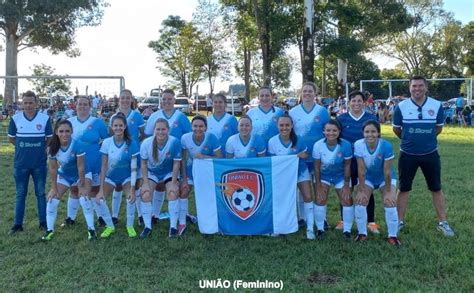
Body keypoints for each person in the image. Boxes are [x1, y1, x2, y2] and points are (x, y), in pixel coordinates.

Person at [393, 76, 455, 237]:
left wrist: (425, 141)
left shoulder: (436, 105)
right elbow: (397, 130)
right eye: (414, 86)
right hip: (407, 154)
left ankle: (443, 222)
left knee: (436, 188)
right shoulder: (401, 106)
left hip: (430, 154)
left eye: (420, 85)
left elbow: (438, 129)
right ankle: (399, 221)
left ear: (426, 87)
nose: (417, 89)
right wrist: (410, 141)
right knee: (404, 188)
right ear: (409, 88)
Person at [42, 119, 97, 241]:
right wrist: (54, 188)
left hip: (81, 174)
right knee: (52, 199)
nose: (64, 134)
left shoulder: (77, 145)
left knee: (84, 198)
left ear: (71, 131)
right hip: (65, 175)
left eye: (67, 131)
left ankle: (91, 230)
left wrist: (81, 184)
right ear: (56, 132)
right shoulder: (52, 147)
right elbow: (53, 168)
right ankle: (49, 230)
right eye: (61, 131)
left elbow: (81, 167)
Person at [8, 91, 53, 234]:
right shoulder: (15, 119)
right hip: (21, 164)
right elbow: (12, 139)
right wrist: (24, 149)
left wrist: (39, 150)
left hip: (39, 164)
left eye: (31, 102)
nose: (28, 105)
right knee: (20, 193)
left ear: (36, 103)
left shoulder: (44, 119)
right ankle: (17, 224)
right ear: (22, 103)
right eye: (25, 102)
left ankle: (43, 223)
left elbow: (49, 139)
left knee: (40, 193)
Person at [144, 89, 192, 223]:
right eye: (164, 99)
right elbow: (148, 136)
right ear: (161, 100)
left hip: (176, 157)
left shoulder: (181, 116)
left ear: (174, 100)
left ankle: (184, 214)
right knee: (159, 184)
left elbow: (188, 136)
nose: (166, 101)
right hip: (159, 158)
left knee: (178, 186)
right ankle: (155, 214)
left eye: (169, 99)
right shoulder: (155, 116)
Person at [336, 90, 379, 233]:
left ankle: (371, 222)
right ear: (349, 102)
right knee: (346, 189)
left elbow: (376, 139)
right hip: (347, 161)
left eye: (359, 100)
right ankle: (343, 220)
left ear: (364, 102)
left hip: (366, 161)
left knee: (367, 189)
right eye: (353, 100)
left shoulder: (371, 118)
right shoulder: (341, 118)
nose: (356, 103)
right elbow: (336, 139)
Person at [63, 96, 109, 227]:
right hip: (74, 163)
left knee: (94, 190)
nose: (82, 106)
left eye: (85, 104)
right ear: (75, 106)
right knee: (74, 190)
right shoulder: (69, 122)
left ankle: (100, 217)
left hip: (94, 161)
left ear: (90, 107)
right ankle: (70, 218)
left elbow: (106, 141)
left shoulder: (97, 122)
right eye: (79, 104)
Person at [354, 120, 401, 246]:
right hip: (368, 177)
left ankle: (393, 236)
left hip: (384, 178)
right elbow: (361, 169)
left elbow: (387, 172)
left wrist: (389, 192)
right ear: (363, 133)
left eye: (373, 131)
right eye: (367, 132)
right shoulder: (358, 145)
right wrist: (361, 189)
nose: (370, 135)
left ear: (379, 133)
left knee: (389, 202)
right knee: (360, 201)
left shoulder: (386, 145)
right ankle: (362, 234)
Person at [289, 82, 329, 229]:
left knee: (319, 186)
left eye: (310, 91)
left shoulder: (322, 111)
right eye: (304, 91)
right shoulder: (293, 112)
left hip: (318, 156)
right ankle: (303, 218)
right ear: (301, 93)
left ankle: (322, 218)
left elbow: (328, 132)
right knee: (302, 188)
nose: (307, 93)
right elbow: (290, 133)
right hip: (301, 156)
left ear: (315, 93)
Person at [268, 114, 313, 238]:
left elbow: (305, 154)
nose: (284, 128)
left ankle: (310, 228)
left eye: (287, 125)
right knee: (281, 200)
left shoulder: (299, 139)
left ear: (292, 126)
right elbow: (272, 161)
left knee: (308, 197)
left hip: (300, 171)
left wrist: (298, 156)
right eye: (281, 125)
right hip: (282, 175)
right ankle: (280, 226)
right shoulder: (272, 142)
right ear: (277, 126)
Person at [97, 113, 140, 238]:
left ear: (125, 126)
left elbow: (133, 168)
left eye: (120, 125)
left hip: (126, 177)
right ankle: (110, 226)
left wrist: (132, 188)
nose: (118, 128)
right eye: (115, 125)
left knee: (131, 198)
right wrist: (100, 189)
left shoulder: (131, 143)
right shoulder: (106, 143)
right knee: (99, 199)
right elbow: (104, 166)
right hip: (110, 178)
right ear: (111, 127)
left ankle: (130, 226)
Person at [139, 118, 182, 239]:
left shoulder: (175, 142)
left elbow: (176, 163)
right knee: (146, 194)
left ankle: (173, 228)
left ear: (168, 130)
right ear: (154, 130)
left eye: (163, 129)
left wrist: (173, 182)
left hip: (168, 172)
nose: (160, 132)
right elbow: (143, 164)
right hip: (152, 172)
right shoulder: (146, 143)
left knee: (173, 193)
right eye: (158, 129)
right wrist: (146, 182)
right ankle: (147, 227)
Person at [180, 116, 222, 237]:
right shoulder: (185, 138)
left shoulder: (211, 138)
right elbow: (183, 159)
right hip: (190, 170)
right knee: (184, 192)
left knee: (208, 196)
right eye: (195, 126)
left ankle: (210, 220)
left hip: (206, 172)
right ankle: (182, 222)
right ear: (191, 127)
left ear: (205, 127)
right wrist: (183, 178)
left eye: (201, 126)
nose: (198, 129)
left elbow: (220, 158)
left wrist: (204, 157)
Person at [108, 89, 145, 226]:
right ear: (119, 99)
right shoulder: (113, 117)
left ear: (131, 100)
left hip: (134, 154)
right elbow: (110, 135)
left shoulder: (137, 115)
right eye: (122, 98)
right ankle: (114, 216)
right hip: (117, 157)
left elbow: (142, 134)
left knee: (135, 185)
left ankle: (140, 215)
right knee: (118, 185)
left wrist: (132, 143)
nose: (125, 100)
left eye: (127, 98)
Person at [312, 120, 354, 240]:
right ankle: (320, 229)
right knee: (320, 198)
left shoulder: (345, 145)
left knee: (347, 199)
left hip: (340, 176)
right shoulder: (318, 145)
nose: (331, 133)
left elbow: (347, 166)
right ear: (324, 131)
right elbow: (316, 167)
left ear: (339, 131)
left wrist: (346, 185)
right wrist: (318, 185)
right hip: (323, 176)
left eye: (334, 130)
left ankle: (347, 230)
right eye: (328, 130)